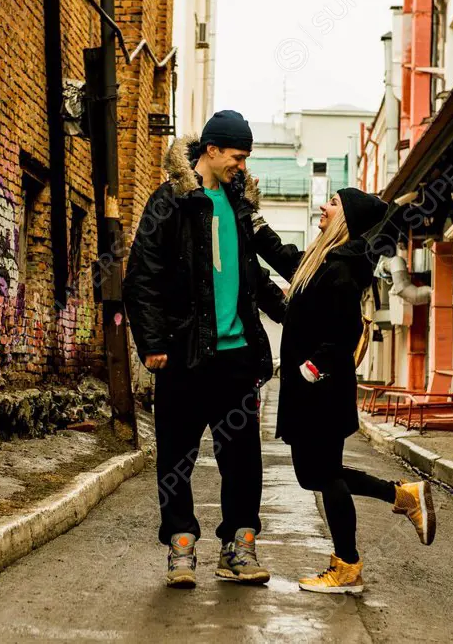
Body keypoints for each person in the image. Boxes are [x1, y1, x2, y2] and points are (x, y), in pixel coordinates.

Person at [123, 110, 287, 589]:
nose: (242, 165)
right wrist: (152, 343)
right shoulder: (171, 200)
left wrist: (295, 311)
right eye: (237, 156)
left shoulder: (239, 206)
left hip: (236, 358)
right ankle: (180, 545)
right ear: (211, 151)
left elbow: (254, 276)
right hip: (183, 356)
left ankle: (239, 546)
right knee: (177, 457)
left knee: (243, 459)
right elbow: (140, 277)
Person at [248, 187, 437, 595]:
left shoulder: (344, 267)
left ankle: (347, 565)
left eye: (332, 202)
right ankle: (401, 495)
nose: (323, 205)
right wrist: (254, 222)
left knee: (324, 474)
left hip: (320, 389)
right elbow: (286, 258)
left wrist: (310, 369)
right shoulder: (323, 262)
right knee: (312, 474)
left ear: (347, 218)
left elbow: (345, 330)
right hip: (312, 389)